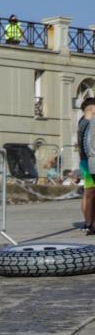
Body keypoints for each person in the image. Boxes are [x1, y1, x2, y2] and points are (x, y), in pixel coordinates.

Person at [78, 97, 95, 234]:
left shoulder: (83, 122)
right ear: (90, 109)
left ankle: (89, 222)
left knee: (89, 194)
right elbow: (89, 147)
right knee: (89, 194)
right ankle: (89, 224)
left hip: (87, 162)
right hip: (89, 163)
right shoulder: (87, 123)